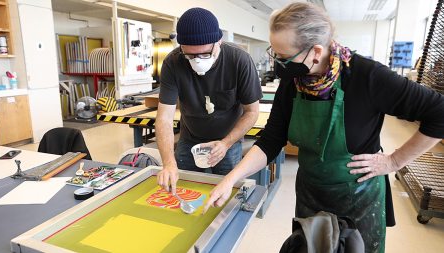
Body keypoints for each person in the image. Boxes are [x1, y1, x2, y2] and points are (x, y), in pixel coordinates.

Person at [203, 2, 444, 253]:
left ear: (315, 51)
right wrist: (231, 179)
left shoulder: (367, 76)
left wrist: (394, 161)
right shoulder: (293, 80)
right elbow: (271, 140)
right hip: (311, 194)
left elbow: (439, 113)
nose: (278, 64)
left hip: (358, 198)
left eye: (284, 57)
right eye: (274, 54)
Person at [155, 8, 262, 194]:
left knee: (226, 193)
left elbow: (252, 112)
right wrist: (168, 163)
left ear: (218, 41)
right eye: (190, 55)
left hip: (227, 140)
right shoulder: (173, 62)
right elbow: (164, 117)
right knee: (184, 190)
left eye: (204, 54)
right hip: (189, 139)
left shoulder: (239, 60)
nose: (197, 61)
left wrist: (226, 143)